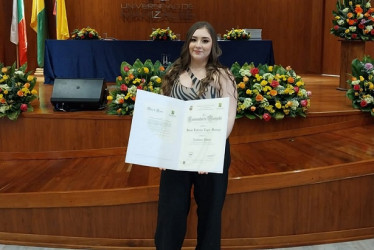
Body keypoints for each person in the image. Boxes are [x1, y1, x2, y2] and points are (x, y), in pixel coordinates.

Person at [154, 21, 238, 250]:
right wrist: (162, 152)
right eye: (194, 39)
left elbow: (230, 116)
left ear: (213, 45)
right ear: (187, 42)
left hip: (212, 153)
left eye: (205, 40)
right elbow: (165, 116)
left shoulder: (223, 76)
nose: (198, 45)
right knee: (170, 212)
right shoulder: (172, 72)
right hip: (176, 153)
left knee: (211, 214)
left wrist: (208, 153)